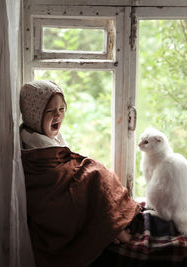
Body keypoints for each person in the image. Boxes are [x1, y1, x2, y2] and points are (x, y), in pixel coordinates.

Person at [20, 80, 140, 267]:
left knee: (95, 172)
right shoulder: (33, 147)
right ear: (34, 115)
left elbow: (62, 160)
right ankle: (113, 228)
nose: (58, 115)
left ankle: (111, 227)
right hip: (54, 201)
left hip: (60, 181)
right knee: (95, 176)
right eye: (51, 111)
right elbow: (50, 179)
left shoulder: (44, 136)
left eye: (62, 109)